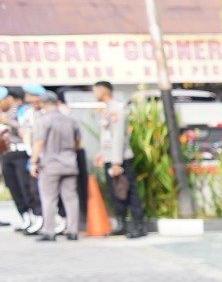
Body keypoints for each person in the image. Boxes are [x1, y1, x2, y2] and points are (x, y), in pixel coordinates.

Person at [92, 80, 146, 238]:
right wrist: (102, 153)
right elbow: (107, 137)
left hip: (120, 159)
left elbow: (118, 138)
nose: (94, 94)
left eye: (95, 91)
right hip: (111, 158)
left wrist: (116, 162)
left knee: (129, 192)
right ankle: (121, 224)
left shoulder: (117, 109)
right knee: (115, 192)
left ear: (103, 91)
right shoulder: (108, 109)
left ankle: (139, 226)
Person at [30, 90, 82, 242]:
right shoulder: (70, 120)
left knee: (48, 198)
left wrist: (33, 162)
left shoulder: (43, 120)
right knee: (71, 198)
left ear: (44, 104)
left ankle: (49, 232)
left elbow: (39, 142)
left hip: (50, 164)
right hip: (69, 163)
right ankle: (73, 231)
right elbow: (78, 143)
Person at [1, 87, 43, 234]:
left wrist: (7, 121)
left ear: (9, 99)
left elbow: (25, 129)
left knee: (25, 186)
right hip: (6, 153)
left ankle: (36, 217)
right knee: (13, 187)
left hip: (21, 153)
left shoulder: (21, 111)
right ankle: (25, 217)